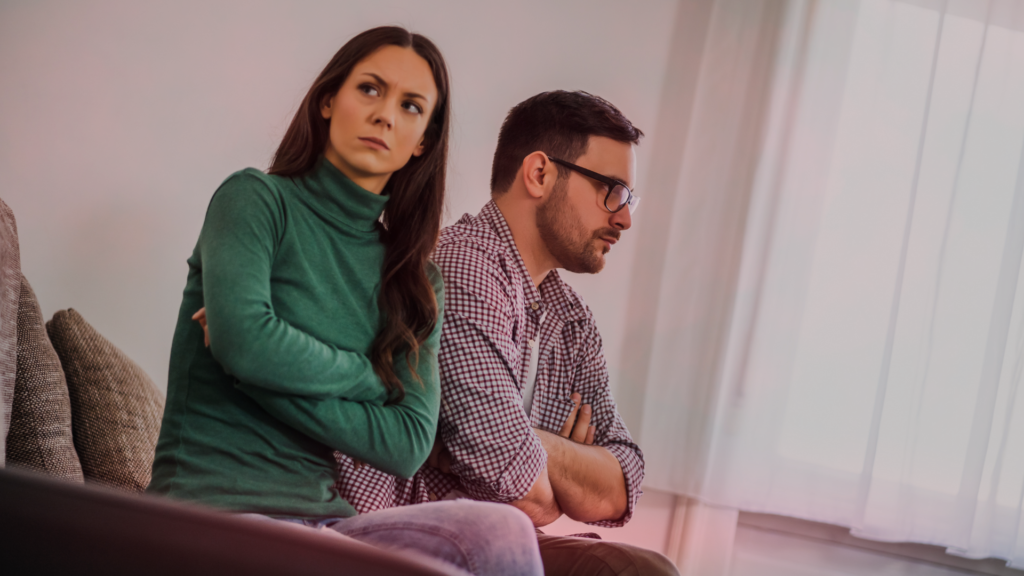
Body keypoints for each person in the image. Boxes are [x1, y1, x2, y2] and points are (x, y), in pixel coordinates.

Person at [148, 26, 543, 576]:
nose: (385, 116)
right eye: (370, 89)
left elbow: (407, 442)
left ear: (422, 141)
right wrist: (374, 380)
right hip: (213, 513)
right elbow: (244, 343)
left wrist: (254, 373)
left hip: (325, 523)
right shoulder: (255, 200)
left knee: (503, 531)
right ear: (329, 101)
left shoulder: (416, 280)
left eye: (410, 106)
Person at [333, 91, 679, 576]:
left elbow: (624, 486)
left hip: (495, 538)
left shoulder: (573, 321)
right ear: (539, 174)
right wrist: (565, 472)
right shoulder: (462, 268)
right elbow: (519, 487)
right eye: (612, 190)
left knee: (641, 568)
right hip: (406, 536)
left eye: (628, 200)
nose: (622, 217)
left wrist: (533, 441)